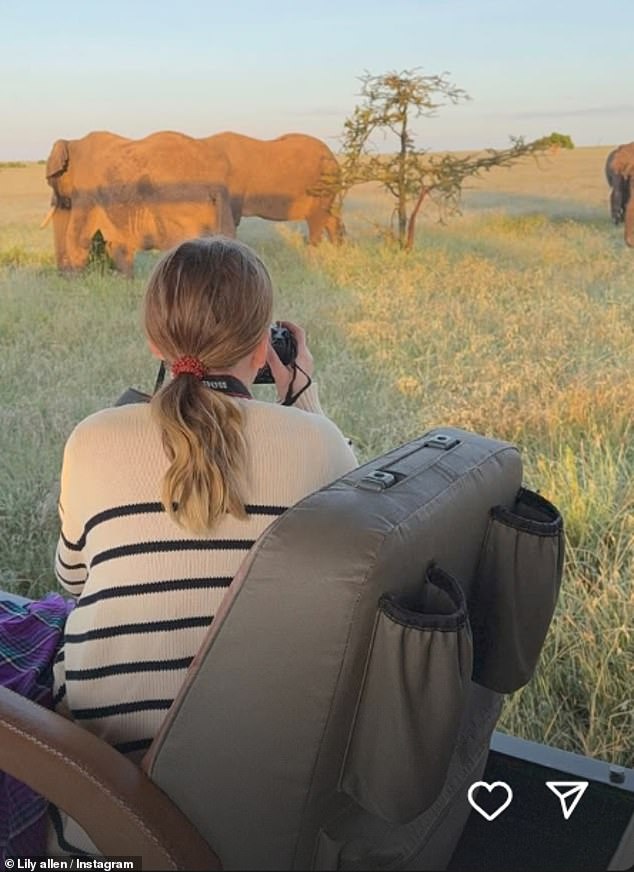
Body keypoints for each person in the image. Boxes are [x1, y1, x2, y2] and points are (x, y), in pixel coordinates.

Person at [48, 235, 357, 849]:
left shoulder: (92, 439)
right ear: (265, 346)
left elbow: (73, 582)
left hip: (97, 816)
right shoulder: (317, 445)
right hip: (260, 816)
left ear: (155, 343)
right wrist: (305, 403)